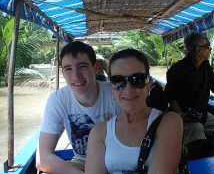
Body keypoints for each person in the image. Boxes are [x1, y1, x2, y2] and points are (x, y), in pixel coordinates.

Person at [85, 49, 183, 174]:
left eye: (138, 79)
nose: (128, 89)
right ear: (111, 87)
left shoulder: (168, 122)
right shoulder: (99, 132)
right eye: (118, 81)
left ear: (148, 84)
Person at [36, 41, 120, 173]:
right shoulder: (58, 101)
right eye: (68, 69)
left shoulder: (115, 95)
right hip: (82, 163)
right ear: (63, 72)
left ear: (96, 67)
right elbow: (43, 159)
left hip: (117, 161)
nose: (76, 75)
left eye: (82, 66)